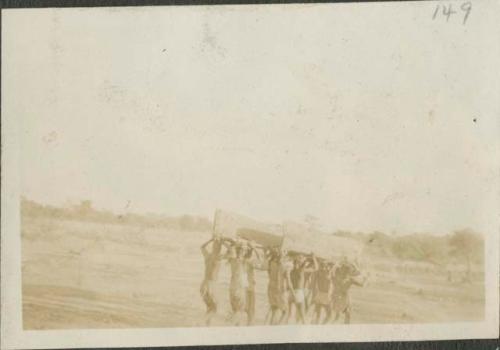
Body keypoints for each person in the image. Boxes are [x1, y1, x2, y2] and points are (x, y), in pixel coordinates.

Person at [199, 236, 228, 325]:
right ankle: (201, 322)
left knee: (209, 307)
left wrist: (211, 240)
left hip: (204, 283)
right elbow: (231, 253)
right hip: (212, 285)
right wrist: (224, 243)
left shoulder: (208, 256)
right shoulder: (218, 257)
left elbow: (202, 247)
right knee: (215, 308)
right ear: (219, 248)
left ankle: (208, 324)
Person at [330, 259, 367, 324]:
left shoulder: (338, 277)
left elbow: (332, 272)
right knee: (345, 314)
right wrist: (365, 278)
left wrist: (337, 264)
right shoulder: (348, 279)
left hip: (339, 297)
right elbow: (361, 283)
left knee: (339, 315)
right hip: (342, 297)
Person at [287, 253, 318, 324]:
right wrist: (314, 258)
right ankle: (303, 331)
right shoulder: (301, 270)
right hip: (298, 292)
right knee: (302, 315)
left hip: (290, 293)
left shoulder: (290, 270)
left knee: (290, 314)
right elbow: (316, 268)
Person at [224, 240, 249, 326]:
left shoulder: (232, 260)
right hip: (240, 287)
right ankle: (232, 324)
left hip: (232, 287)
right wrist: (251, 247)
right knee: (240, 310)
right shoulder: (244, 261)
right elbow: (259, 259)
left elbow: (230, 249)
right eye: (244, 250)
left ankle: (235, 326)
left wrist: (234, 244)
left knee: (235, 310)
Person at [266, 248, 291, 325]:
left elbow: (269, 273)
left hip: (271, 288)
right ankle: (277, 326)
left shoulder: (271, 263)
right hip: (279, 289)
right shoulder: (284, 265)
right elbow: (287, 280)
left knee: (274, 309)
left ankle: (271, 325)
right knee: (285, 311)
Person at [243, 241, 263, 326]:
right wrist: (255, 249)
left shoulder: (241, 260)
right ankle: (249, 323)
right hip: (250, 284)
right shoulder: (250, 262)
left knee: (246, 306)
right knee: (251, 307)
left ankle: (247, 323)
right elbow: (260, 262)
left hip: (243, 284)